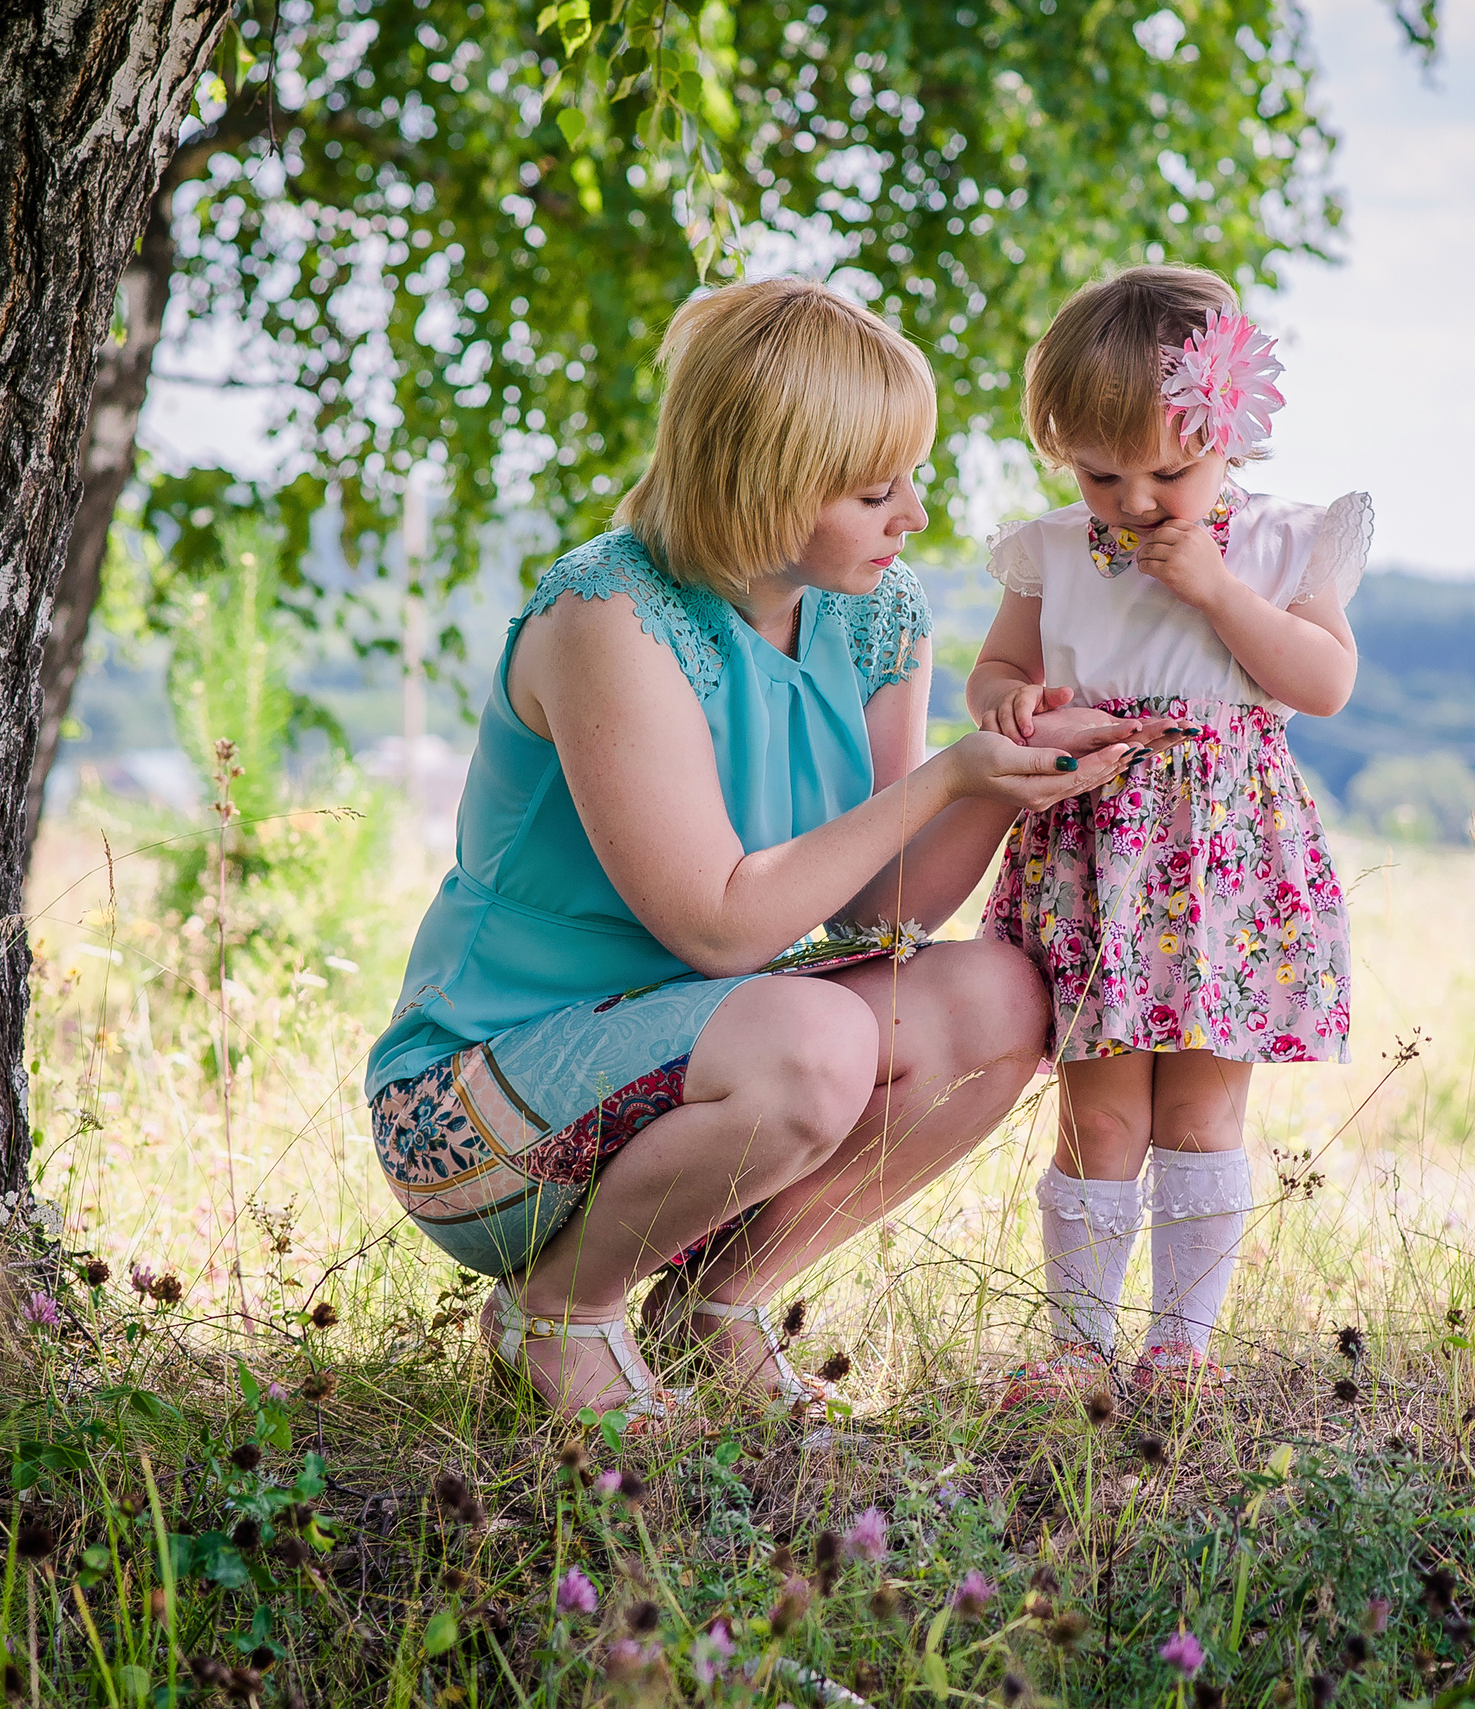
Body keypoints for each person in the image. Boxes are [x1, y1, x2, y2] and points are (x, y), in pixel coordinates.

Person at [364, 278, 1150, 1432]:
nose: (912, 516)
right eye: (876, 490)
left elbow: (886, 911)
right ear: (766, 480)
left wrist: (999, 779)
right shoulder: (609, 616)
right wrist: (944, 776)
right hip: (478, 1106)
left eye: (912, 479)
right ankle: (559, 1310)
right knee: (817, 1040)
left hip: (706, 1049)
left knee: (997, 993)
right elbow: (720, 929)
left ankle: (714, 1302)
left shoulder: (874, 615)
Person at [968, 265, 1369, 1402]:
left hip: (1224, 858)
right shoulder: (1051, 549)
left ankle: (1181, 1345)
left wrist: (1218, 592)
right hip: (1101, 843)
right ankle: (1078, 1343)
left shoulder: (1284, 544)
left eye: (1169, 470)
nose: (1135, 499)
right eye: (1101, 472)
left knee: (1201, 1104)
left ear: (1229, 435)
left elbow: (1323, 681)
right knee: (1096, 1103)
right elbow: (999, 667)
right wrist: (1010, 700)